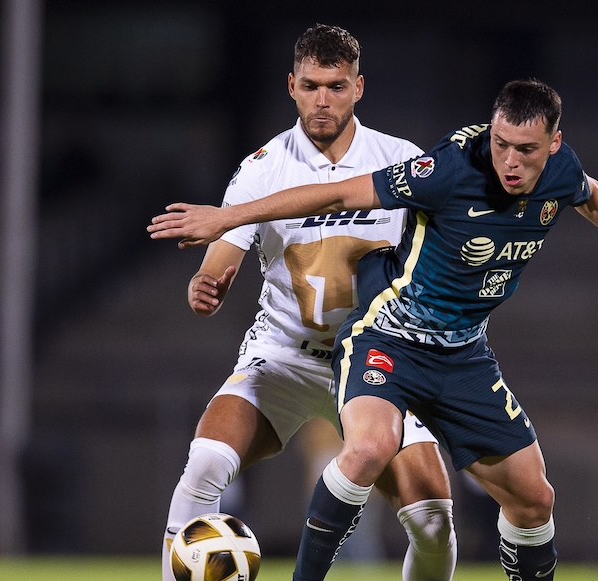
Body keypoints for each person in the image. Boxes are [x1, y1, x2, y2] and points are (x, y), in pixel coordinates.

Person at [150, 78, 598, 581]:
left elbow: (591, 195)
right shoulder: (448, 168)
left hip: (463, 356)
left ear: (554, 145)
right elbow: (342, 194)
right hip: (385, 338)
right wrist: (229, 217)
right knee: (364, 448)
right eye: (501, 144)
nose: (510, 161)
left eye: (526, 150)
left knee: (531, 500)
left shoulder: (561, 172)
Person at [159, 24, 456, 581]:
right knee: (204, 464)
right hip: (284, 357)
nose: (323, 100)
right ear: (290, 85)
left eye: (337, 86)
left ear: (359, 87)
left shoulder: (401, 160)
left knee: (434, 518)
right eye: (312, 85)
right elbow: (222, 256)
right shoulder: (262, 167)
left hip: (377, 363)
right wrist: (208, 283)